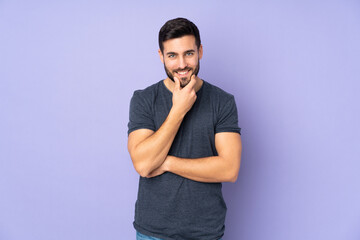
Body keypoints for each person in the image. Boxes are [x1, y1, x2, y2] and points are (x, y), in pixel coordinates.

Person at [128, 17, 242, 240]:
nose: (182, 64)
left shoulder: (223, 101)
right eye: (172, 55)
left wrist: (168, 162)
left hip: (205, 233)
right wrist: (178, 110)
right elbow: (143, 165)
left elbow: (229, 169)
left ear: (200, 51)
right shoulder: (143, 99)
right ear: (161, 56)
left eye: (188, 53)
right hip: (153, 232)